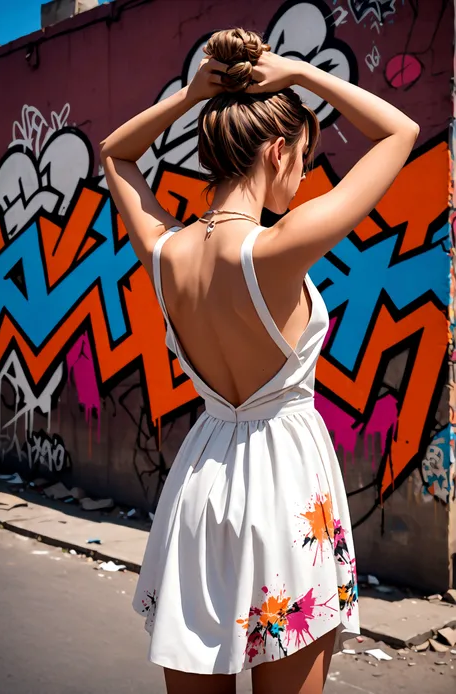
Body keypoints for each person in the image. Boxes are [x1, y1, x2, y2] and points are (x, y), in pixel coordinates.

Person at [100, 27, 419, 694]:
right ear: (276, 152)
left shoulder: (166, 253)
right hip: (283, 491)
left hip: (199, 485)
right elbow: (400, 132)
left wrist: (191, 94)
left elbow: (116, 155)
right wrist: (302, 73)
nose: (302, 179)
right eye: (302, 159)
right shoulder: (277, 249)